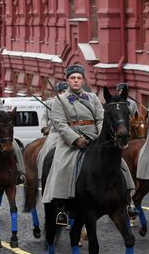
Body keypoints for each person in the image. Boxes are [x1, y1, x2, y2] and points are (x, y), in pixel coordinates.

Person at [41, 65, 135, 208]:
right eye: (73, 78)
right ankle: (62, 206)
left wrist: (99, 138)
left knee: (120, 163)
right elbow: (60, 124)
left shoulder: (92, 98)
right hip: (71, 141)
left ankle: (128, 200)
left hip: (94, 137)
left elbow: (100, 118)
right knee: (63, 167)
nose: (76, 81)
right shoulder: (59, 100)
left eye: (79, 78)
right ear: (67, 80)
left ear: (83, 81)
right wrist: (76, 139)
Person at [36, 81, 68, 189]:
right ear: (56, 93)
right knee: (45, 153)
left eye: (65, 91)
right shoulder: (50, 103)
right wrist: (45, 127)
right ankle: (43, 175)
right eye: (61, 92)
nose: (63, 94)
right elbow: (44, 117)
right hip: (55, 132)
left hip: (70, 132)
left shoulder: (72, 102)